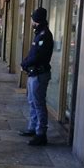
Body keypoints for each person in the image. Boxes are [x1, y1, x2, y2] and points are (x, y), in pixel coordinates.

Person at [19, 7, 54, 146]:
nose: (31, 21)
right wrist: (26, 64)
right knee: (32, 102)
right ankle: (33, 127)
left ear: (37, 20)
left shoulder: (44, 35)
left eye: (32, 18)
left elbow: (38, 56)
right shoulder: (39, 33)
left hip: (39, 74)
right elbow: (33, 53)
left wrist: (25, 64)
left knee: (38, 103)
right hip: (34, 73)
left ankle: (41, 133)